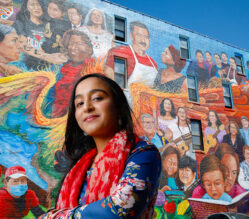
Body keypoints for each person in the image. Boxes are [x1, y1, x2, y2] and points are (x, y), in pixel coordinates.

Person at [40, 73, 161, 218]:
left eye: (97, 98)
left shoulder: (143, 152)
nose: (87, 107)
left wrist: (54, 216)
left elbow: (120, 209)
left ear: (119, 107)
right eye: (79, 103)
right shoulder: (78, 166)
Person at [52, 29, 94, 117]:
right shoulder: (63, 70)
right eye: (71, 43)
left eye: (79, 43)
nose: (74, 47)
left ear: (89, 49)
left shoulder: (93, 70)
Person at [104, 21, 158, 86]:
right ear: (131, 36)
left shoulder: (153, 64)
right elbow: (108, 78)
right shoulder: (118, 52)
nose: (143, 40)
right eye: (139, 35)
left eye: (146, 37)